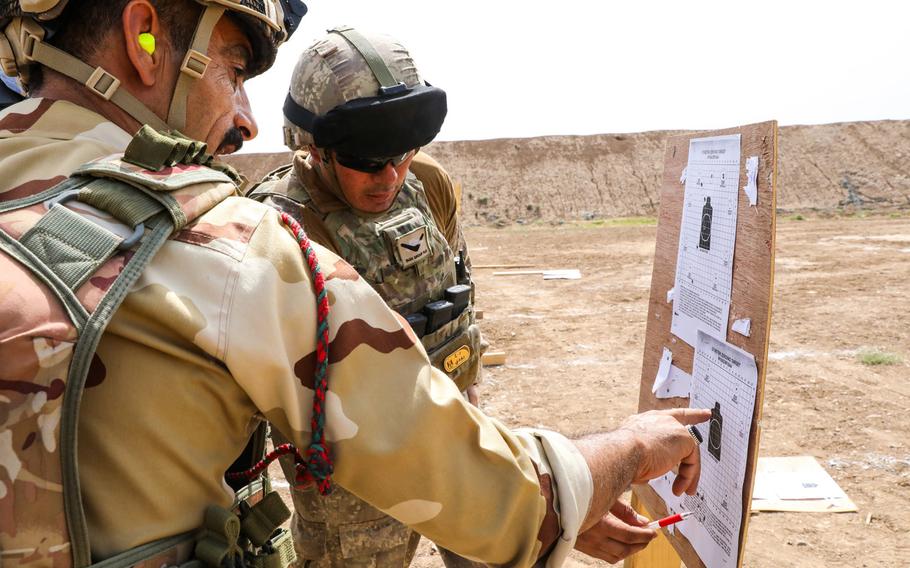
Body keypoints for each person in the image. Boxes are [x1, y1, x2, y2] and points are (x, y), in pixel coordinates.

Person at [0, 2, 710, 568]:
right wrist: (633, 450)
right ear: (145, 34)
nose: (245, 118)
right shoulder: (232, 248)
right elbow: (502, 500)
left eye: (404, 156)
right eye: (233, 68)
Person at [248, 28, 485, 568]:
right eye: (366, 161)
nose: (389, 177)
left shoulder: (428, 183)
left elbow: (459, 291)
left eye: (401, 155)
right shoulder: (275, 227)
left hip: (453, 435)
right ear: (312, 150)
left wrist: (470, 403)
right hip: (356, 484)